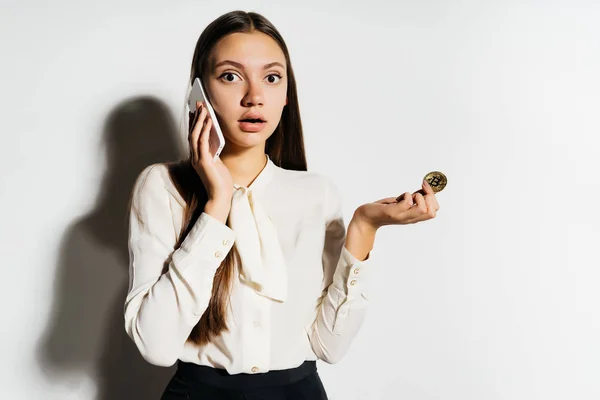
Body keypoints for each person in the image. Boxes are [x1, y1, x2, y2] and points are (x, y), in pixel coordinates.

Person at [124, 10, 440, 400]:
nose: (254, 96)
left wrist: (363, 227)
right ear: (199, 92)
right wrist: (217, 203)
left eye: (271, 78)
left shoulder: (317, 194)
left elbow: (330, 346)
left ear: (286, 95)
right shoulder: (163, 186)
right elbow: (155, 347)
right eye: (230, 76)